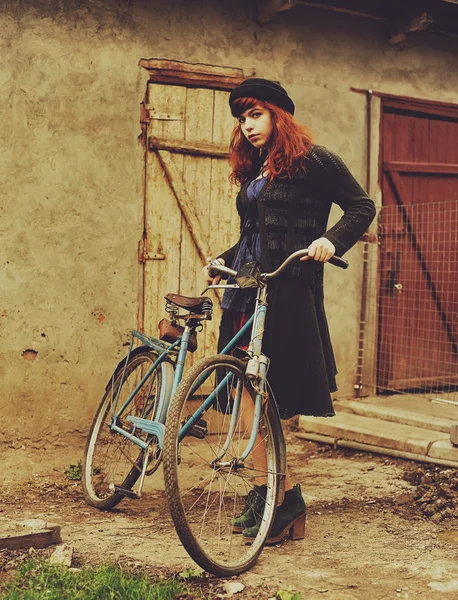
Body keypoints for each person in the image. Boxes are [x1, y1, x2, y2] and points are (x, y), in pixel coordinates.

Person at [202, 78, 376, 543]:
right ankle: (265, 493)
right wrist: (223, 260)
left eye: (255, 114)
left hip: (287, 287)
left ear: (279, 114)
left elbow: (362, 206)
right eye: (242, 118)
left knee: (270, 394)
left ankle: (284, 498)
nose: (247, 125)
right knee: (242, 389)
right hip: (246, 288)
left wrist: (329, 240)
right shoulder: (258, 169)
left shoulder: (314, 161)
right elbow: (252, 237)